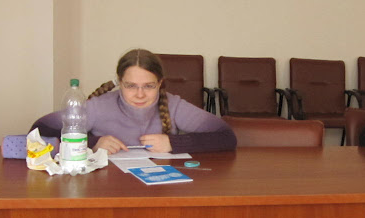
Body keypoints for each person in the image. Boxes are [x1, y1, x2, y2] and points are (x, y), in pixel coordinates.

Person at [32, 48, 236, 154]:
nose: (140, 95)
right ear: (120, 83)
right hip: (109, 189)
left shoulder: (174, 105)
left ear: (160, 83)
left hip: (160, 191)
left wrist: (174, 143)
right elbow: (39, 132)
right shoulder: (99, 107)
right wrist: (92, 143)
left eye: (149, 86)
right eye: (130, 86)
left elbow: (226, 137)